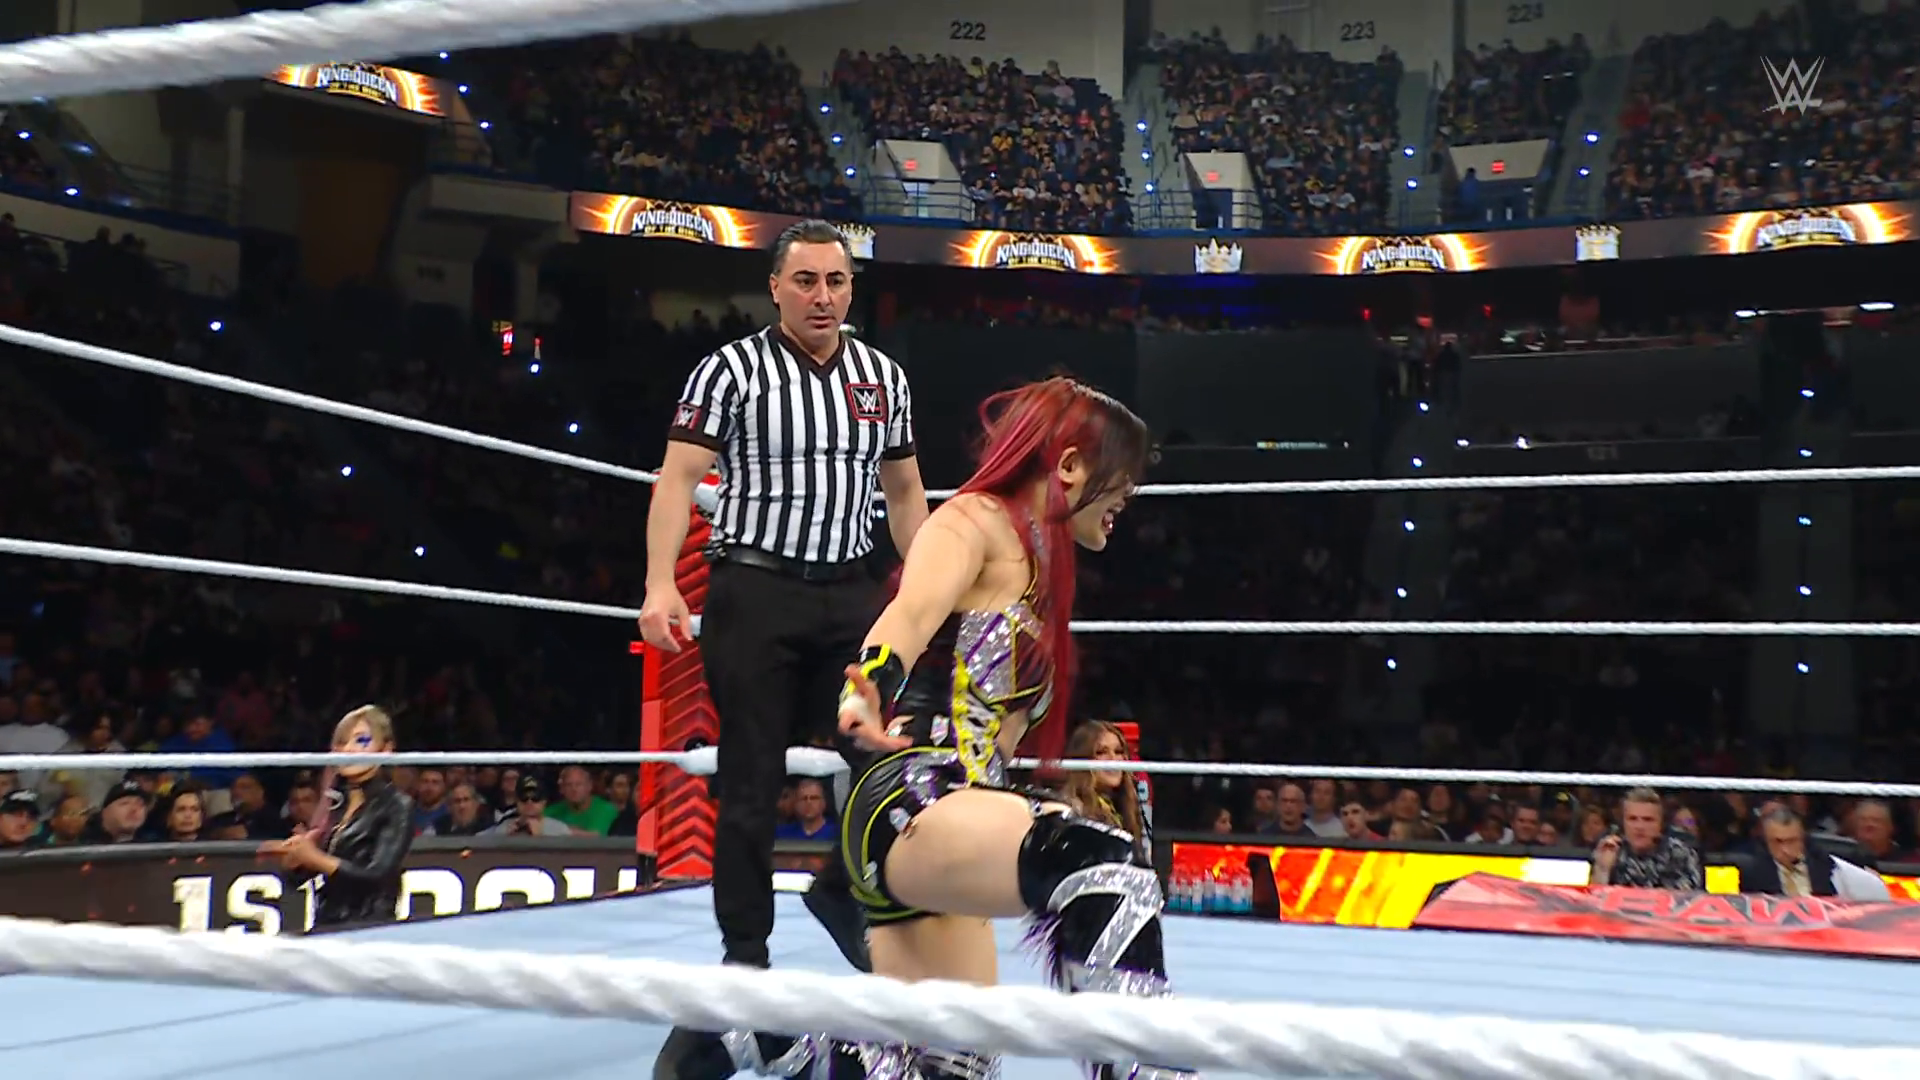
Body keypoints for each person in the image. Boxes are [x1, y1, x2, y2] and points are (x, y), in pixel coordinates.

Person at [828, 376, 1193, 1080]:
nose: (1129, 496)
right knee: (1107, 864)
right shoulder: (973, 521)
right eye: (1122, 477)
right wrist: (868, 690)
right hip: (914, 794)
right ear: (1070, 465)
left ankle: (742, 1039)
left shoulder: (1044, 566)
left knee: (946, 1065)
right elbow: (910, 613)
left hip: (962, 813)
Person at [644, 219, 928, 1080]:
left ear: (851, 288)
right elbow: (677, 478)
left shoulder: (883, 377)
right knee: (751, 778)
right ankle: (746, 964)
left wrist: (928, 595)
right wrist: (660, 584)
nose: (821, 296)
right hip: (756, 590)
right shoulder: (730, 369)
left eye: (835, 282)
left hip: (851, 595)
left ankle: (845, 892)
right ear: (775, 288)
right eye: (805, 281)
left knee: (881, 763)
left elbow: (905, 492)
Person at [263, 706, 413, 928]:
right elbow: (303, 878)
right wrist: (296, 862)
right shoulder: (336, 803)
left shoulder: (396, 805)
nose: (348, 749)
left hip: (369, 926)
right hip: (327, 921)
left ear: (386, 749)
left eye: (361, 740)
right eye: (342, 742)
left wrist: (316, 858)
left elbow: (377, 875)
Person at [1055, 719, 1149, 865]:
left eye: (1118, 752)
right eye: (1101, 752)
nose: (1113, 759)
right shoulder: (1071, 809)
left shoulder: (1126, 806)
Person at [1590, 786, 1703, 890]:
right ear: (1623, 823)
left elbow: (1689, 899)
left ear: (1660, 825)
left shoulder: (1680, 853)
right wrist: (1602, 870)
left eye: (1648, 820)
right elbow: (1594, 899)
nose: (1639, 827)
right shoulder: (1610, 849)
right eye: (1632, 819)